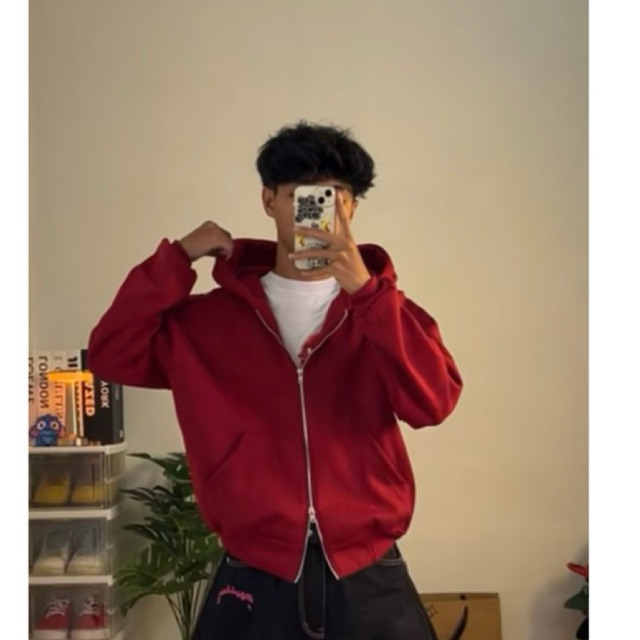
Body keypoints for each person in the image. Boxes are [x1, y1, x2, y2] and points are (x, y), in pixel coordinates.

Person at [88, 122, 463, 640]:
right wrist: (177, 258)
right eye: (301, 195)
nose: (320, 210)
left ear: (352, 208)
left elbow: (434, 402)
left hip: (368, 567)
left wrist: (366, 292)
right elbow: (111, 353)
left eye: (337, 196)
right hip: (254, 567)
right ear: (269, 200)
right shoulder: (207, 322)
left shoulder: (386, 315)